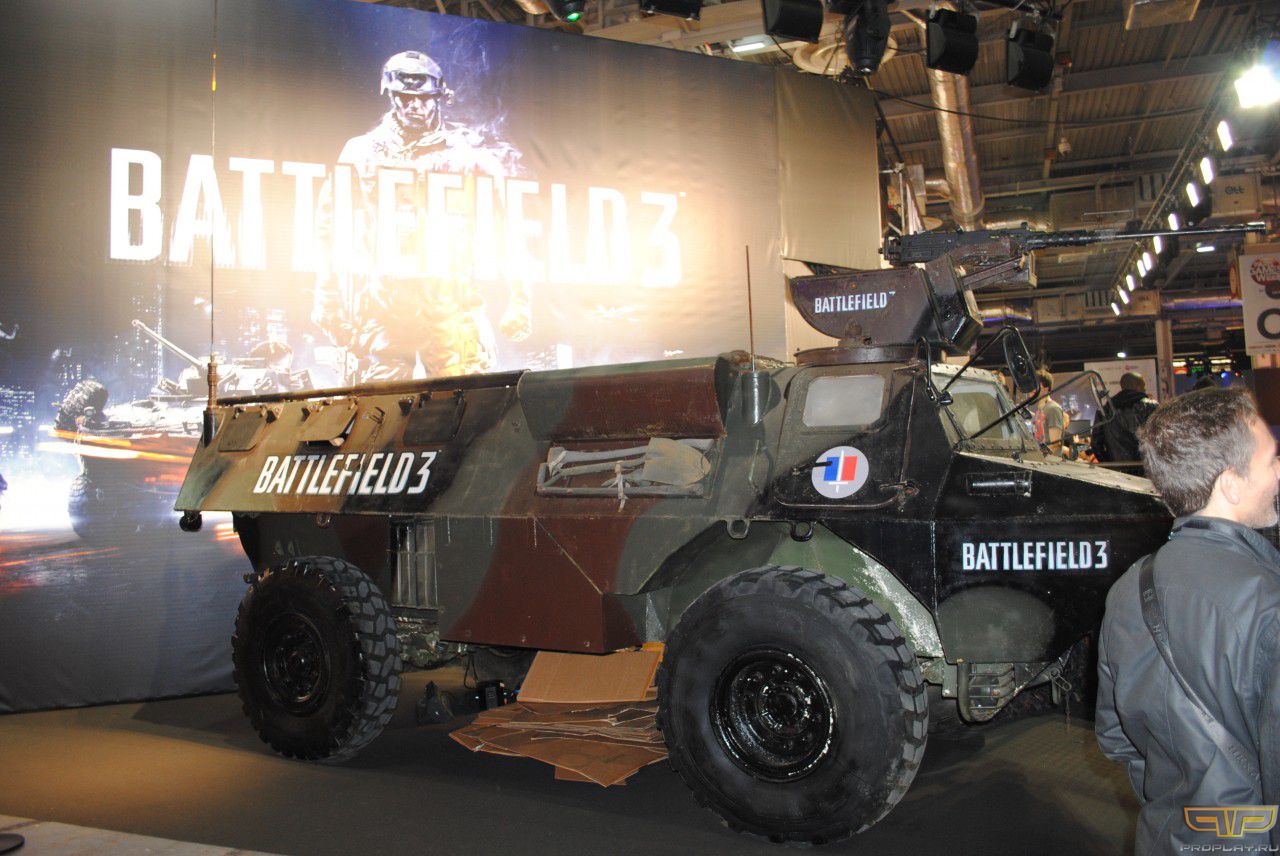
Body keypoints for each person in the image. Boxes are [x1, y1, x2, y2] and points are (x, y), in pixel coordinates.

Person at [1096, 387, 1280, 853]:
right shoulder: (1268, 599)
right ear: (1231, 484)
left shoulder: (1128, 589)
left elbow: (1116, 739)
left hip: (1163, 836)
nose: (1279, 472)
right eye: (1271, 460)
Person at [312, 51, 527, 382]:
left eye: (424, 98)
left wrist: (520, 300)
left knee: (463, 400)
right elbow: (329, 229)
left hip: (452, 309)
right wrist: (326, 300)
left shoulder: (467, 156)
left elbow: (508, 231)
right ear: (391, 96)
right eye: (405, 97)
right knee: (380, 405)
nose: (415, 106)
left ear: (438, 97)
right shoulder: (361, 152)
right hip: (385, 310)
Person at [1092, 371, 1158, 463]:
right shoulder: (1151, 406)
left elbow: (1096, 445)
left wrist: (1110, 464)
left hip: (1117, 468)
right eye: (1143, 385)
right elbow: (1160, 438)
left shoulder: (1104, 410)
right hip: (1145, 467)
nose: (1145, 389)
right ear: (1137, 386)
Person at [1031, 368, 1066, 455]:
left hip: (1049, 461)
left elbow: (1055, 444)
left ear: (1046, 388)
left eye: (1036, 384)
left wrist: (1040, 458)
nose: (1032, 388)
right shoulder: (1041, 409)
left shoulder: (1053, 409)